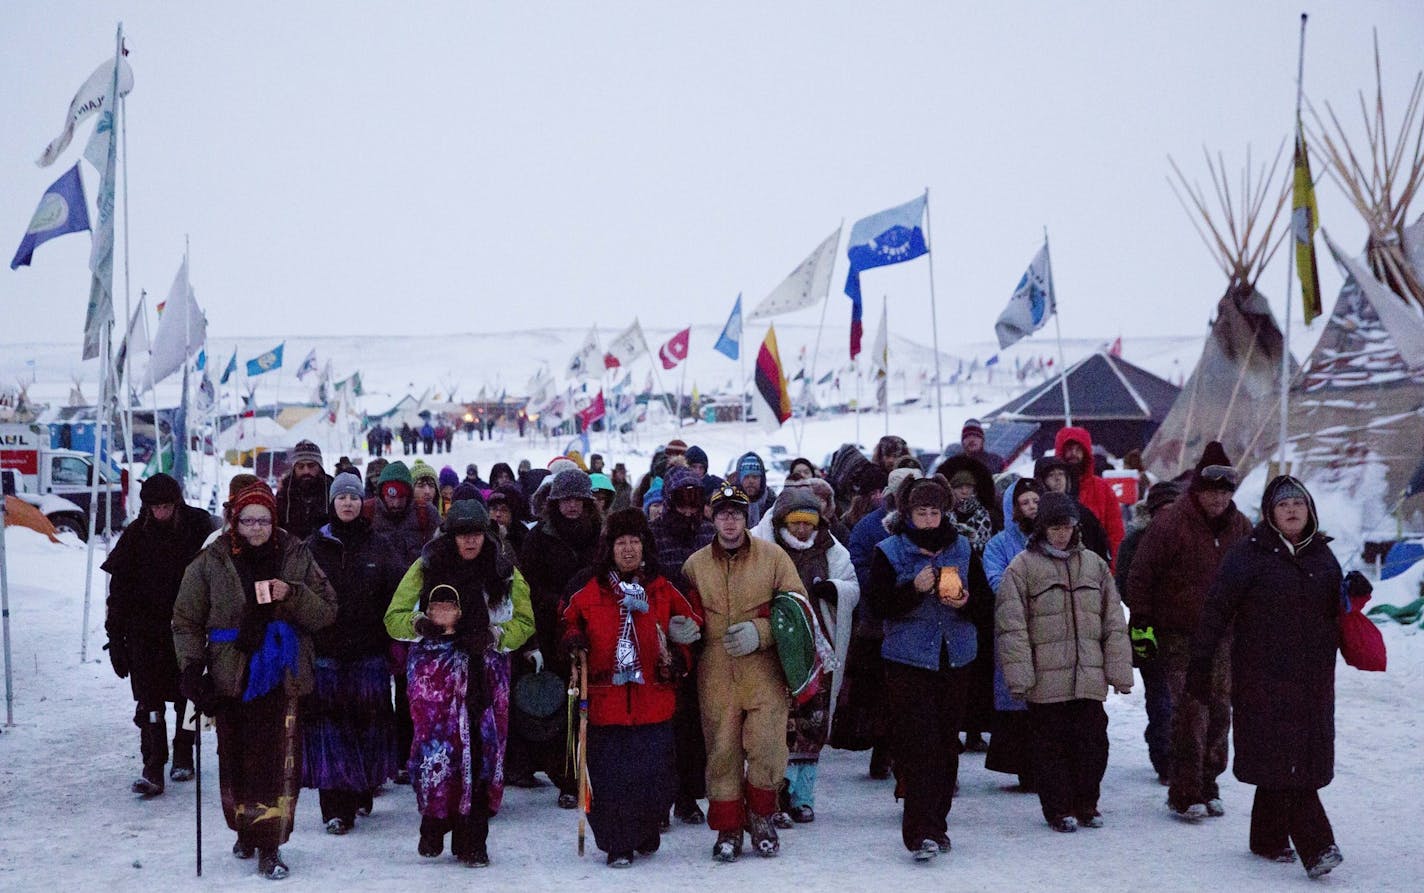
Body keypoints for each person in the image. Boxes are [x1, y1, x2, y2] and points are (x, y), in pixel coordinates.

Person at [172, 482, 338, 880]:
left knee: (275, 760)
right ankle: (245, 829)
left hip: (283, 672)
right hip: (231, 672)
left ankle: (271, 844)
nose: (257, 527)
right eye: (248, 520)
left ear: (273, 518)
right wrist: (193, 670)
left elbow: (327, 611)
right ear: (235, 521)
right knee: (235, 757)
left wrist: (292, 594)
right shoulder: (211, 559)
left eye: (264, 519)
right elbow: (186, 620)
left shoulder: (296, 554)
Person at [1188, 475, 1346, 879]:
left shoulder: (1323, 558)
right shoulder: (1249, 554)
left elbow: (1339, 615)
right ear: (1270, 514)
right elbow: (1216, 609)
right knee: (1287, 760)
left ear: (1309, 510)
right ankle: (1318, 846)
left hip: (1312, 681)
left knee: (1293, 757)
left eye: (1299, 504)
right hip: (1262, 677)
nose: (1292, 510)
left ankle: (1267, 838)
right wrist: (1201, 665)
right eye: (1283, 505)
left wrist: (1353, 595)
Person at [384, 498, 534, 867]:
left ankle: (473, 839)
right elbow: (395, 616)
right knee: (438, 754)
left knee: (482, 753)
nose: (470, 542)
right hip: (435, 679)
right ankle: (434, 823)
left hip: (486, 675)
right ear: (449, 536)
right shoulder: (426, 566)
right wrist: (422, 625)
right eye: (462, 535)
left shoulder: (505, 572)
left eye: (476, 535)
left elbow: (526, 623)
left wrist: (496, 636)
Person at [560, 509, 703, 867]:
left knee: (654, 778)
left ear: (645, 546)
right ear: (609, 547)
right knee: (610, 781)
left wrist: (682, 648)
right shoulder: (588, 586)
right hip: (605, 701)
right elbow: (566, 619)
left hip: (653, 700)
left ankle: (643, 829)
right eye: (621, 542)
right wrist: (573, 640)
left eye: (634, 542)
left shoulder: (662, 587)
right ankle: (616, 843)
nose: (628, 550)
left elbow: (692, 621)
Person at [1125, 443, 1251, 820]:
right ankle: (1184, 791)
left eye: (1225, 491)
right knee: (1189, 712)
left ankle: (1209, 783)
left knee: (1220, 713)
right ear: (1197, 489)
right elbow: (1140, 575)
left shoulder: (1241, 526)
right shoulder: (1171, 524)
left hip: (1224, 637)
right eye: (1211, 490)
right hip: (1179, 636)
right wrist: (1143, 624)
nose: (1218, 498)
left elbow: (1253, 577)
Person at [996, 491, 1133, 833]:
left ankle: (1087, 803)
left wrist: (1119, 671)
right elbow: (1012, 626)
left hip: (1088, 675)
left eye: (1068, 526)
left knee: (1093, 744)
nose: (1062, 533)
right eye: (1055, 526)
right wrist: (1020, 677)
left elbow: (1113, 622)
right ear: (1042, 528)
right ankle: (1058, 808)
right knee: (1050, 749)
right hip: (1045, 680)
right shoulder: (1022, 568)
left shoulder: (1094, 565)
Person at [682, 484, 804, 862]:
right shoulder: (695, 564)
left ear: (747, 517)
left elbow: (797, 608)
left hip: (764, 670)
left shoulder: (774, 557)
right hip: (715, 673)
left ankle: (762, 817)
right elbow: (685, 609)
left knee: (768, 745)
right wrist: (682, 628)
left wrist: (762, 632)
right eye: (722, 513)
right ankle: (728, 827)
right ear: (712, 517)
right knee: (722, 749)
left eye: (736, 512)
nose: (729, 520)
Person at [865, 474, 977, 862]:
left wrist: (966, 602)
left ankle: (938, 824)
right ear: (907, 513)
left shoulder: (961, 547)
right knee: (917, 746)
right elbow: (877, 606)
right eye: (920, 512)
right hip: (907, 661)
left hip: (954, 657)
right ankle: (919, 832)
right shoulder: (889, 550)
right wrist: (913, 589)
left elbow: (985, 604)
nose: (928, 519)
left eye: (934, 512)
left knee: (947, 745)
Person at [301, 473, 405, 834]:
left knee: (367, 727)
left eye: (354, 497)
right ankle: (335, 808)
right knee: (330, 732)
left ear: (363, 502)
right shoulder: (312, 546)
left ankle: (361, 789)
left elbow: (398, 593)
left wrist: (397, 639)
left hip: (368, 653)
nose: (347, 503)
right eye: (341, 497)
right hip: (326, 654)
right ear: (332, 502)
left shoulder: (380, 544)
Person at [102, 473, 215, 796]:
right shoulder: (136, 535)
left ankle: (185, 751)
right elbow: (118, 591)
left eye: (166, 506)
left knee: (191, 700)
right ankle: (153, 763)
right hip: (146, 633)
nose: (161, 513)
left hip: (191, 628)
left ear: (176, 503)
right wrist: (116, 638)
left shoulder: (199, 527)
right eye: (155, 507)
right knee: (148, 702)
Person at [754, 487, 859, 826]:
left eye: (808, 524)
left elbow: (852, 584)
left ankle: (803, 796)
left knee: (811, 724)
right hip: (778, 648)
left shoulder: (831, 549)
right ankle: (776, 792)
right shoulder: (763, 547)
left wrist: (834, 590)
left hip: (817, 647)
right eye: (796, 523)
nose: (803, 530)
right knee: (779, 725)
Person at [514, 469, 602, 804]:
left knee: (595, 703)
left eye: (577, 499)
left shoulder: (599, 535)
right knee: (562, 707)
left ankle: (593, 772)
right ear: (554, 502)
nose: (572, 506)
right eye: (565, 499)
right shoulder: (539, 538)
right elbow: (527, 588)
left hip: (594, 626)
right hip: (553, 630)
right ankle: (566, 778)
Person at [838, 465, 921, 775]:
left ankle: (900, 754)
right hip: (876, 624)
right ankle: (881, 750)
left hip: (914, 621)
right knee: (880, 694)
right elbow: (856, 565)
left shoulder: (925, 524)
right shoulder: (868, 527)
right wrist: (885, 587)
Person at [649, 467, 716, 825]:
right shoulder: (655, 536)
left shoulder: (710, 533)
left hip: (706, 638)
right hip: (665, 640)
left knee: (695, 725)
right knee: (664, 725)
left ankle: (689, 796)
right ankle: (659, 801)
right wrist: (666, 625)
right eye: (682, 500)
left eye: (695, 500)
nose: (689, 509)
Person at [1114, 479, 1182, 785]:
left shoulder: (1191, 538)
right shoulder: (1135, 541)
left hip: (1185, 632)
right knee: (1160, 698)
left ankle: (1184, 755)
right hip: (1148, 630)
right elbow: (1126, 584)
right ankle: (1164, 757)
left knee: (1184, 698)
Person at [935, 455, 1003, 753]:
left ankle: (975, 728)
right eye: (959, 487)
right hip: (947, 588)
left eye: (968, 488)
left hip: (978, 590)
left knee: (979, 665)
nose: (964, 492)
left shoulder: (986, 516)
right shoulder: (942, 518)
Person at [980, 477, 1044, 790]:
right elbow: (997, 582)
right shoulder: (999, 544)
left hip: (1049, 628)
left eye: (1035, 501)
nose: (1031, 507)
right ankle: (1022, 766)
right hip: (1015, 626)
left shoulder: (1054, 538)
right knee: (1017, 694)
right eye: (1024, 502)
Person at [1052, 427, 1124, 566]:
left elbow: (1116, 534)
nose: (1073, 454)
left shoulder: (1103, 490)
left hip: (1094, 567)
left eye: (1078, 449)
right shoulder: (1049, 489)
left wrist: (1113, 570)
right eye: (1069, 449)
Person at [274, 439, 332, 540]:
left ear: (319, 466)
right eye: (301, 466)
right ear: (294, 468)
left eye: (311, 466)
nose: (306, 471)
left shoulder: (332, 490)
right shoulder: (284, 493)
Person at [941, 418, 1005, 473]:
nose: (972, 440)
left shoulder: (996, 462)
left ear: (982, 440)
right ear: (962, 441)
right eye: (967, 436)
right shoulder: (954, 464)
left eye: (976, 436)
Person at [731, 452, 776, 527]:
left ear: (762, 480)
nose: (751, 481)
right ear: (739, 479)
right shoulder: (729, 502)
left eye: (755, 477)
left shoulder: (773, 505)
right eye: (746, 477)